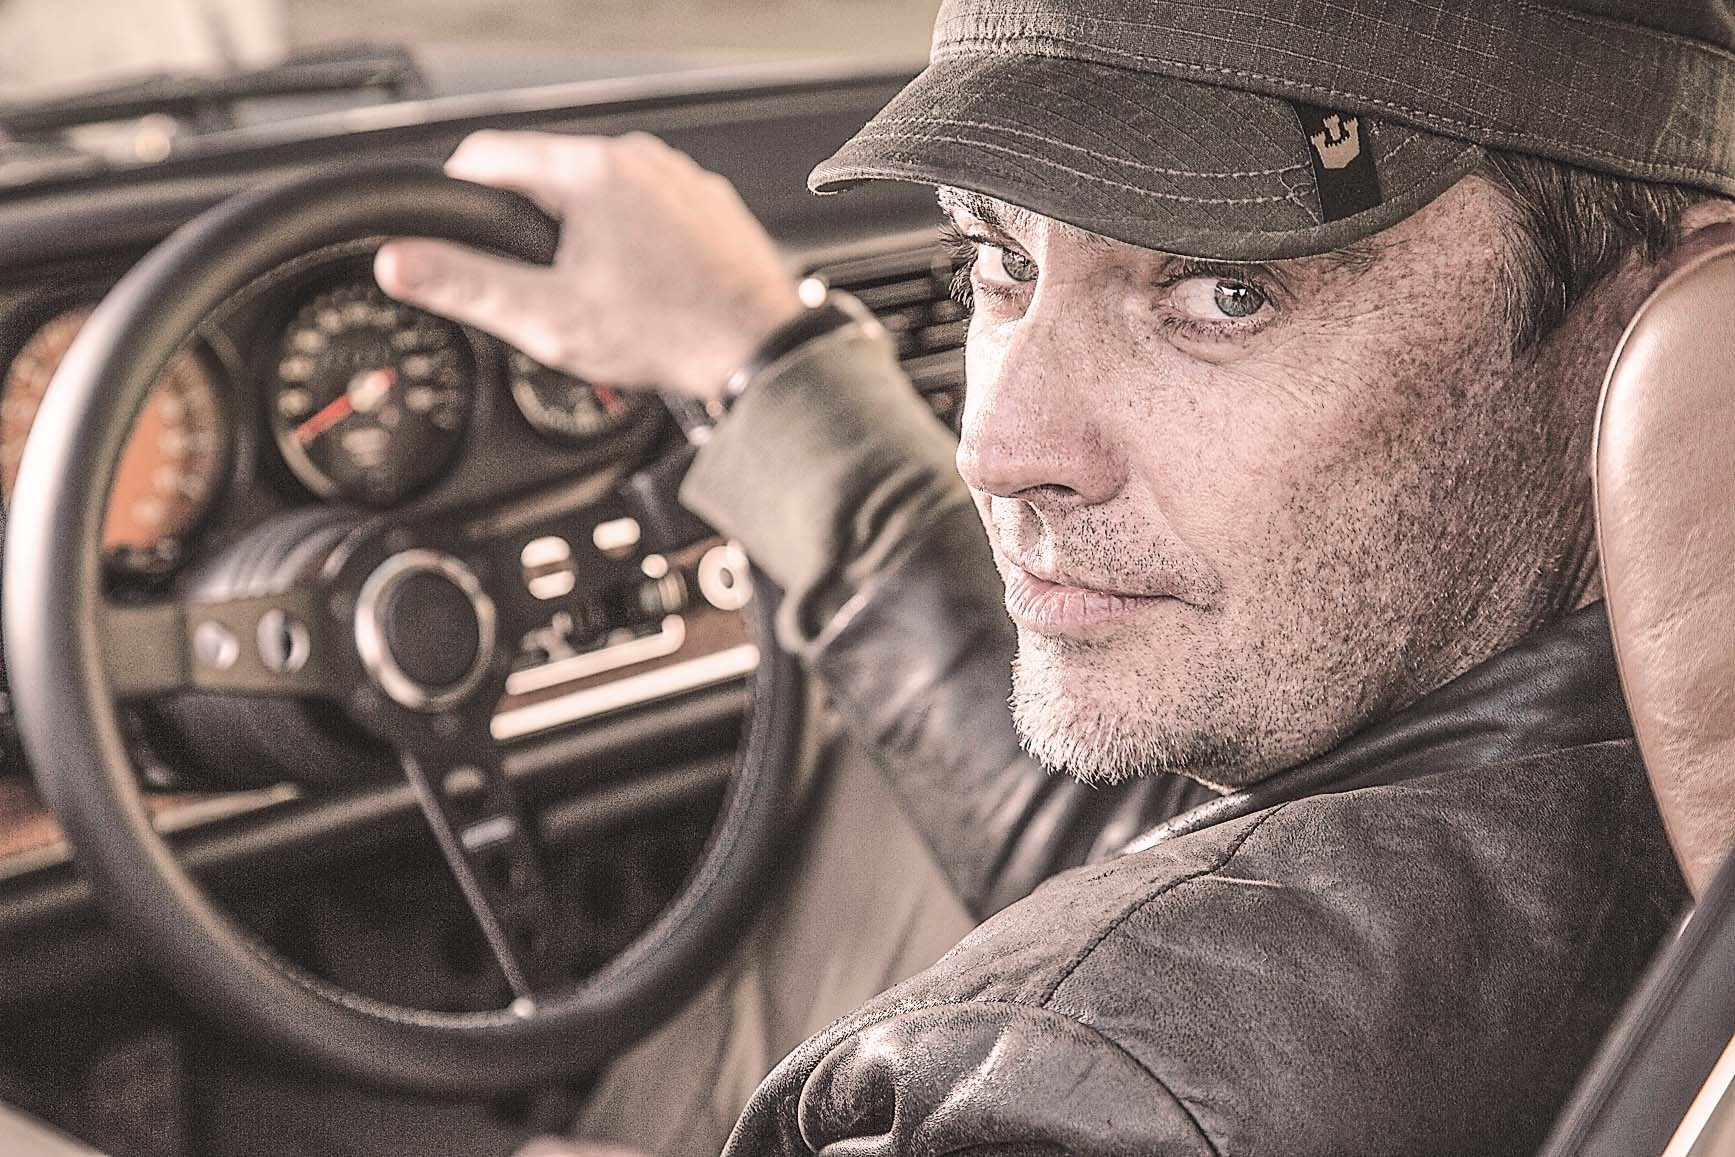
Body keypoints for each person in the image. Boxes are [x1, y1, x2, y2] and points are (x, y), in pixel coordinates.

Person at [374, 2, 1735, 1151]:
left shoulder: (1072, 1095)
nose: (995, 447)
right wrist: (763, 361)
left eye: (1224, 294)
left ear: (1674, 294)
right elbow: (1158, 859)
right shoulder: (1654, 790)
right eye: (1000, 262)